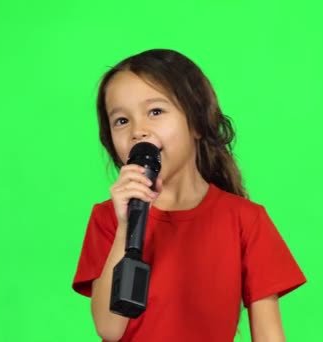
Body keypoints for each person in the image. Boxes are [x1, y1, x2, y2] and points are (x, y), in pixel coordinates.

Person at [72, 48, 306, 341]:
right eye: (121, 120)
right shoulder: (108, 218)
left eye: (155, 111)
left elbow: (270, 335)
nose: (138, 131)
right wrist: (126, 228)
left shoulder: (245, 220)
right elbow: (109, 329)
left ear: (196, 122)